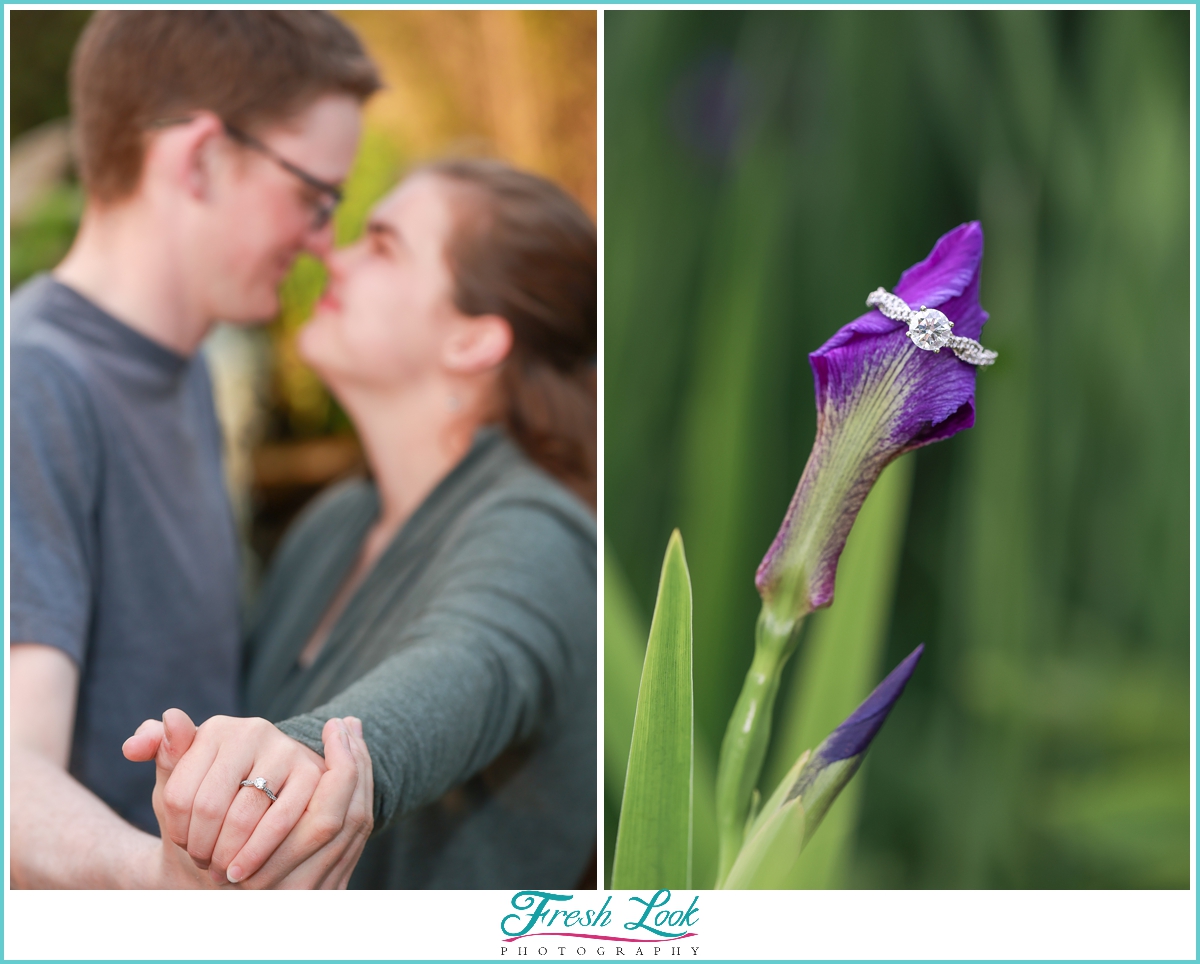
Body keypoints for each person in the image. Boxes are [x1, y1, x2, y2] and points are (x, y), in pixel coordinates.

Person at [125, 159, 598, 888]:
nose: (329, 254)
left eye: (380, 245)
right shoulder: (334, 525)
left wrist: (307, 758)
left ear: (472, 341)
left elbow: (473, 663)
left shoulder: (542, 532)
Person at [10, 11, 381, 888]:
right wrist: (167, 885)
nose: (324, 241)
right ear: (202, 158)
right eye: (313, 195)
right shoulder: (34, 387)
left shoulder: (185, 370)